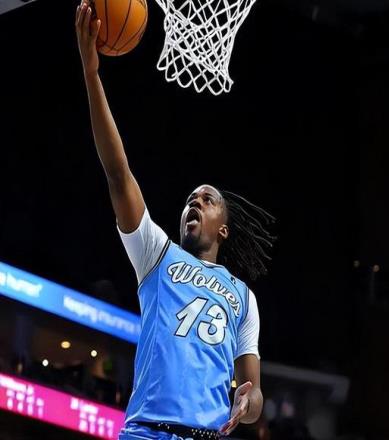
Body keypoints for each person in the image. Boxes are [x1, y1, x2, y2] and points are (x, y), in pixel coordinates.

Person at [75, 2, 275, 439]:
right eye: (189, 200)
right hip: (145, 431)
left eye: (207, 199)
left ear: (224, 227)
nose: (194, 203)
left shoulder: (244, 298)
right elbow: (118, 173)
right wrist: (92, 75)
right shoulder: (156, 254)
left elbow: (254, 392)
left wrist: (249, 401)